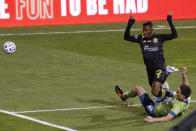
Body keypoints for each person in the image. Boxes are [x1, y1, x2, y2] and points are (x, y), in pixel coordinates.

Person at [124, 12, 178, 98]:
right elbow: (126, 37)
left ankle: (173, 94)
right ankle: (166, 73)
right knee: (154, 91)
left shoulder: (159, 38)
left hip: (159, 67)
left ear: (152, 30)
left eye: (146, 30)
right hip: (149, 69)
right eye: (143, 30)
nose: (144, 32)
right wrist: (130, 24)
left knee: (156, 92)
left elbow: (174, 35)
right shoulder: (140, 38)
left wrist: (170, 21)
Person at [115, 67, 191, 122]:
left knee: (138, 89)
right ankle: (165, 74)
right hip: (164, 101)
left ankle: (123, 96)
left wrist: (153, 119)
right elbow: (186, 86)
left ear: (183, 96)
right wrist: (184, 75)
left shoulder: (178, 106)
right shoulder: (186, 96)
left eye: (178, 92)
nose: (177, 92)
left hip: (155, 110)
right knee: (164, 83)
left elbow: (169, 117)